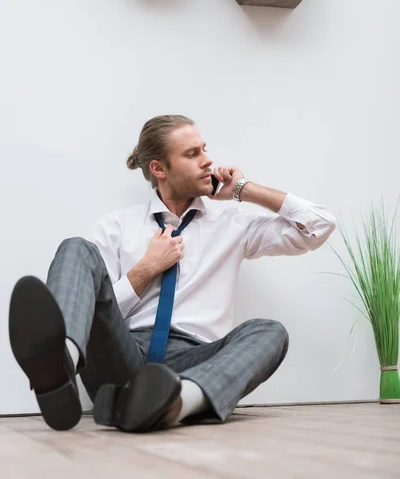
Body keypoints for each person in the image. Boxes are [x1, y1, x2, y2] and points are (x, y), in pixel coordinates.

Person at [8, 114, 337, 432]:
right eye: (192, 154)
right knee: (76, 247)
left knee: (270, 331)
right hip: (120, 353)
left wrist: (243, 189)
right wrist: (146, 269)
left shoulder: (233, 226)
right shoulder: (117, 227)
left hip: (194, 362)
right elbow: (96, 315)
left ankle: (171, 405)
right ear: (158, 168)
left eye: (205, 149)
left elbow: (318, 227)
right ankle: (59, 362)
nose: (207, 160)